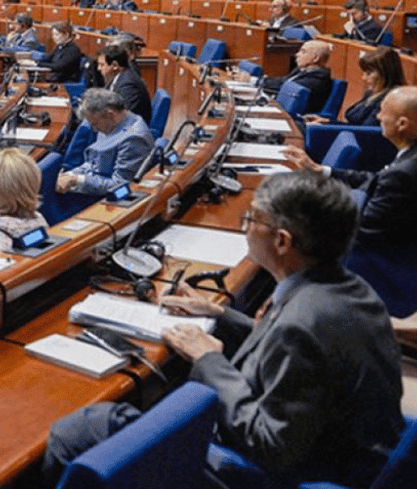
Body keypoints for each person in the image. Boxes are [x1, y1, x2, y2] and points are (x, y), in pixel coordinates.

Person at [45, 171, 402, 488]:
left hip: (288, 475)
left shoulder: (302, 324)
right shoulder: (347, 288)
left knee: (82, 429)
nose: (245, 227)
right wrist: (217, 312)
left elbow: (270, 446)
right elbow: (288, 348)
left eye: (252, 219)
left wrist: (209, 360)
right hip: (340, 450)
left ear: (282, 241)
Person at [285, 86, 417, 315]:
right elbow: (374, 180)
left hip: (385, 274)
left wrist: (307, 216)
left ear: (402, 124)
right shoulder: (408, 159)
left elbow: (363, 231)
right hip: (390, 255)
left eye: (383, 112)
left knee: (285, 245)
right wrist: (320, 170)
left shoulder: (404, 173)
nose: (378, 117)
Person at [55, 87, 154, 196]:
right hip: (94, 182)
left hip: (103, 198)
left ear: (110, 115)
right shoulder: (115, 121)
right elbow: (93, 164)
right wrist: (70, 175)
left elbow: (121, 186)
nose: (94, 129)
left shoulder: (134, 139)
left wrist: (77, 180)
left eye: (95, 124)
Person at [257, 39, 334, 114]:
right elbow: (282, 80)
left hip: (295, 117)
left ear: (315, 58)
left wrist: (259, 81)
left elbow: (285, 87)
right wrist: (263, 80)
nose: (297, 54)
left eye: (303, 51)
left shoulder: (317, 79)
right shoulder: (302, 70)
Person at [95, 43, 151, 123]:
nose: (98, 68)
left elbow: (122, 116)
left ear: (115, 65)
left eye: (102, 65)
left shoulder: (128, 85)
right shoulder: (119, 76)